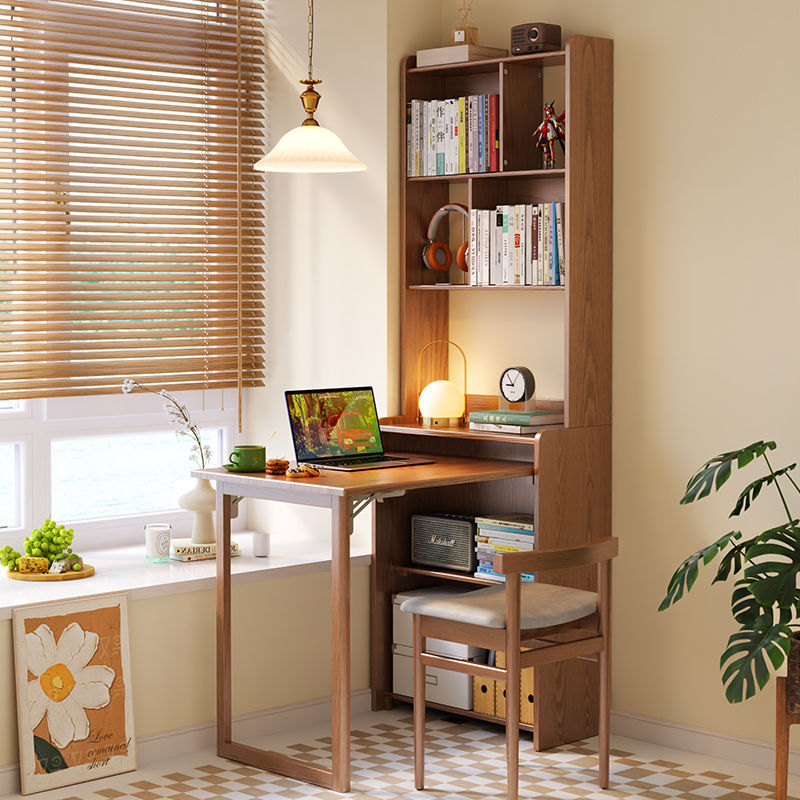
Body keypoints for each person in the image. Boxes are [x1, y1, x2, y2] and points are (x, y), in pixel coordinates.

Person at [532, 101, 565, 168]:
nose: (547, 111)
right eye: (546, 110)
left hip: (550, 133)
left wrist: (560, 129)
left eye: (548, 110)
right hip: (544, 134)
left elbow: (556, 124)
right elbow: (541, 125)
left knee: (551, 147)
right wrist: (536, 131)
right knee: (545, 148)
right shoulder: (545, 119)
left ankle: (552, 161)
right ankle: (546, 162)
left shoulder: (552, 118)